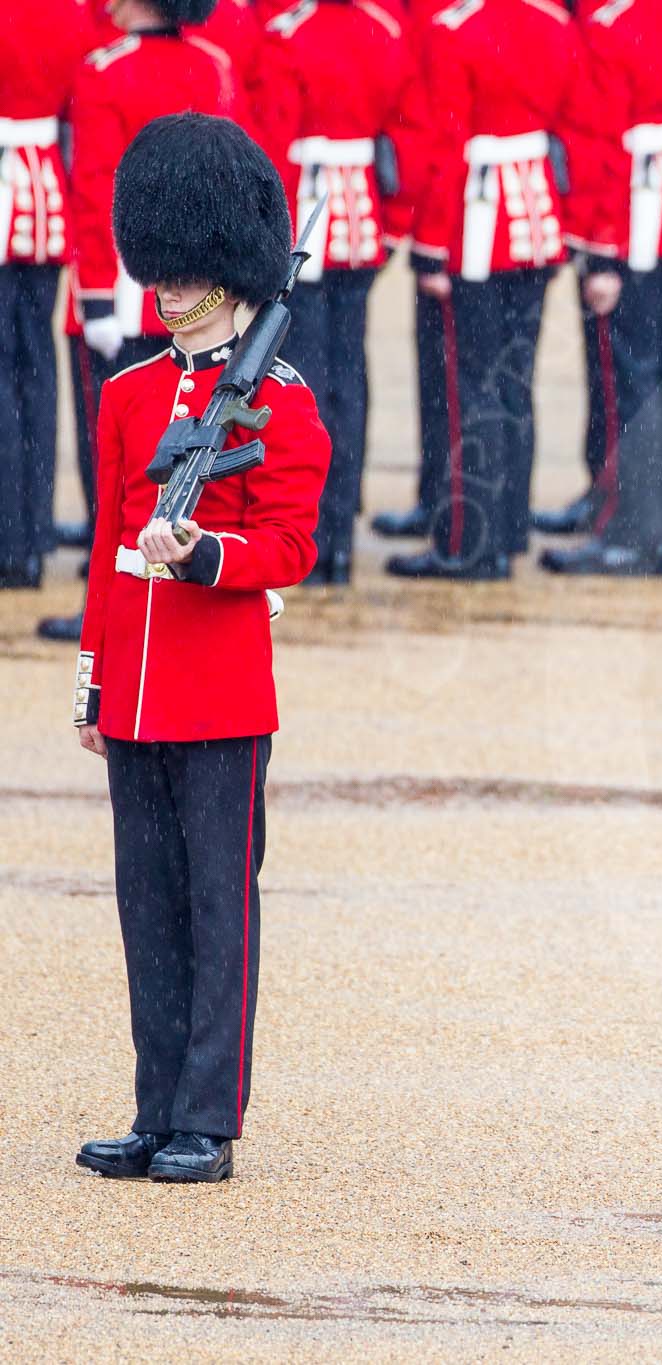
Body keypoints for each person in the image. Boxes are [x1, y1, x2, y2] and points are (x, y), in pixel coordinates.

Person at [70, 113, 329, 1184]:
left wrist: (205, 552)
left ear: (230, 275)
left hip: (220, 694)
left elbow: (291, 544)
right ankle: (152, 1103)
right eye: (161, 275)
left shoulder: (279, 401)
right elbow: (99, 550)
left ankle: (207, 1120)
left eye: (187, 277)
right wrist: (92, 683)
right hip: (134, 689)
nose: (167, 293)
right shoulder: (130, 395)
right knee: (148, 909)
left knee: (217, 910)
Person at [37, 0, 238, 642]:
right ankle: (171, 578)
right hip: (201, 294)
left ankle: (117, 595)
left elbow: (97, 192)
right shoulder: (213, 67)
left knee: (116, 459)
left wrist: (95, 295)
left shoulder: (105, 70)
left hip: (124, 293)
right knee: (181, 443)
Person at [539, 0, 662, 576]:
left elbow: (597, 142)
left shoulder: (608, 28)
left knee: (630, 384)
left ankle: (629, 530)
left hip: (630, 218)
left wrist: (597, 252)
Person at [385, 0, 581, 580]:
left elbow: (445, 147)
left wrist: (429, 245)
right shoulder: (555, 24)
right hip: (534, 216)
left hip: (476, 224)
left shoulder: (454, 31)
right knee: (514, 382)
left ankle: (468, 541)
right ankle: (509, 526)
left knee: (468, 390)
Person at [245, 0, 411, 586]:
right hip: (360, 216)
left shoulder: (288, 35)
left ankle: (310, 536)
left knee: (303, 385)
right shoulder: (385, 31)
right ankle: (339, 536)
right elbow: (407, 132)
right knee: (348, 382)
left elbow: (271, 139)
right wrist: (394, 224)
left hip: (307, 218)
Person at [0, 0, 98, 591]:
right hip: (43, 194)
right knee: (36, 370)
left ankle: (9, 537)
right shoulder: (73, 15)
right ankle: (32, 532)